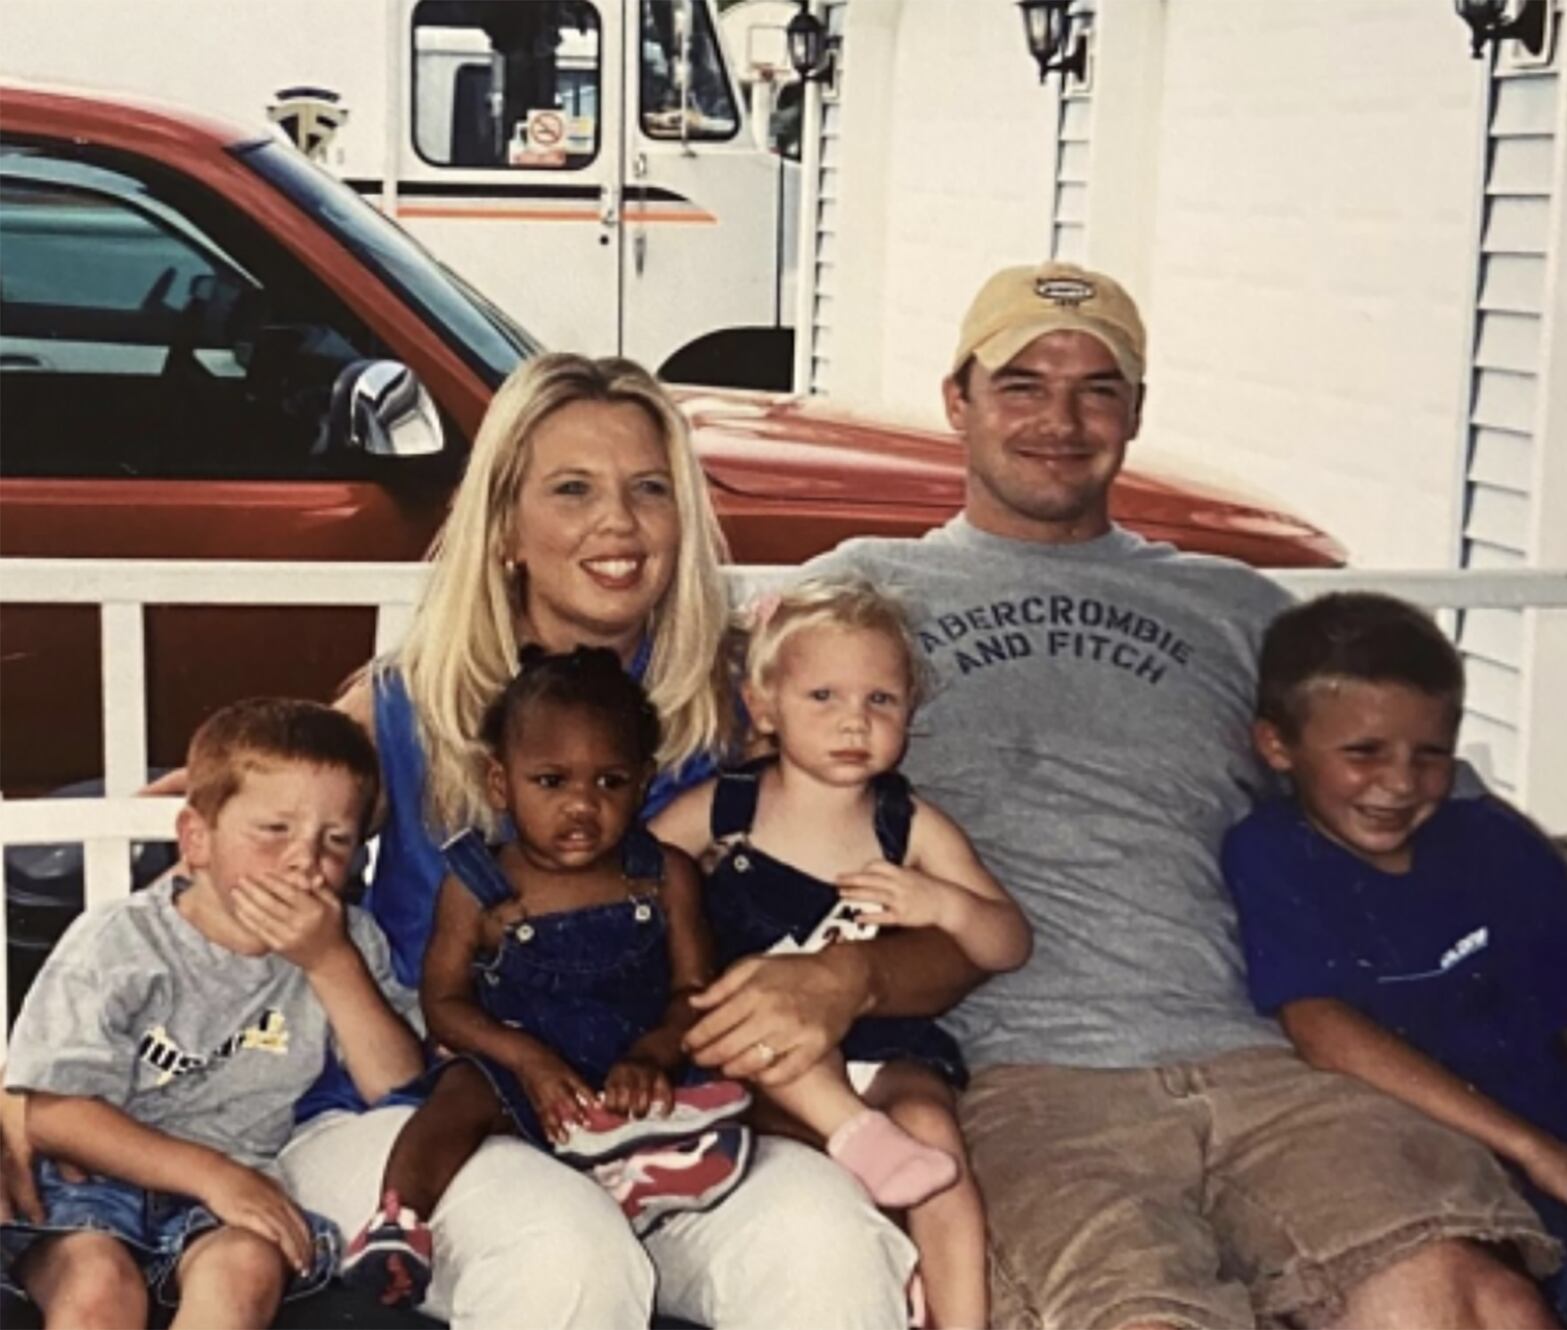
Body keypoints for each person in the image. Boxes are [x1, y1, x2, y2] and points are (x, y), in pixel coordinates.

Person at [681, 261, 1565, 1328]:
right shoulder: (859, 596)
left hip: (1262, 1060)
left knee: (1472, 1301)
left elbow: (1432, 808)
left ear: (1134, 413)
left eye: (1097, 387)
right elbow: (709, 808)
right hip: (1024, 1080)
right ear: (956, 400)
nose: (1060, 417)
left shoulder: (1233, 607)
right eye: (1020, 384)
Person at [220, 352, 918, 1329]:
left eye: (648, 490)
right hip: (423, 1115)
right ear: (505, 524)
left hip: (658, 1118)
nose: (619, 524)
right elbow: (222, 871)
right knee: (564, 1252)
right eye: (572, 489)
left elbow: (912, 896)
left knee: (826, 1240)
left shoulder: (746, 714)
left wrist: (852, 975)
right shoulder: (409, 702)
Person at [654, 576, 1031, 1329]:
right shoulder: (725, 809)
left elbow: (1009, 942)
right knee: (766, 1036)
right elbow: (634, 877)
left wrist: (945, 906)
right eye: (822, 697)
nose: (853, 721)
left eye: (880, 701)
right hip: (761, 1050)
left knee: (935, 1139)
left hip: (882, 1045)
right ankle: (858, 1144)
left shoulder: (909, 825)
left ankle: (961, 1317)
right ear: (764, 707)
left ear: (908, 715)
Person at [1223, 591, 1567, 1328]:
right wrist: (1540, 1154)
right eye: (1363, 753)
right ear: (1276, 746)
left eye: (1430, 755)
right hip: (1450, 1174)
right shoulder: (1273, 853)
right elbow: (1320, 1025)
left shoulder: (1493, 842)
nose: (1400, 783)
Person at [342, 645, 751, 1308]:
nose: (583, 806)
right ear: (501, 783)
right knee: (457, 1097)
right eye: (551, 782)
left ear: (644, 781)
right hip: (514, 1067)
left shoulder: (664, 875)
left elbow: (692, 992)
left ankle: (643, 1163)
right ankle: (400, 1220)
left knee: (712, 1091)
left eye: (610, 782)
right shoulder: (477, 883)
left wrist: (652, 1053)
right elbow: (443, 1003)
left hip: (628, 1064)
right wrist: (524, 1058)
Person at [0, 699, 422, 1330]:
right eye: (275, 831)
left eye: (336, 841)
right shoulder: (121, 941)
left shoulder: (348, 944)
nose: (305, 860)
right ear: (196, 838)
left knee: (246, 1271)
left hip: (241, 1189)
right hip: (92, 1184)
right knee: (98, 1289)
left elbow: (396, 1086)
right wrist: (209, 1174)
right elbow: (54, 1111)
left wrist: (330, 964)